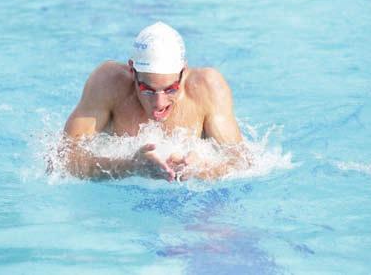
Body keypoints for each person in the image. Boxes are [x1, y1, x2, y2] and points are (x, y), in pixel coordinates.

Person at [62, 21, 247, 181]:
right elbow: (62, 159)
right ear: (132, 72)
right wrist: (129, 167)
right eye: (148, 89)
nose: (159, 104)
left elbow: (243, 162)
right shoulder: (108, 83)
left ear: (183, 72)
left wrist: (203, 170)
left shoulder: (207, 87)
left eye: (170, 89)